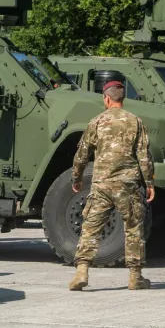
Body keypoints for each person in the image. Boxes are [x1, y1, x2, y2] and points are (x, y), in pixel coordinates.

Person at [68, 80, 155, 291]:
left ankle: (82, 271)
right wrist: (149, 182)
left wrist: (76, 178)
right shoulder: (135, 122)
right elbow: (144, 156)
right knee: (133, 228)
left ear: (106, 98)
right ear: (122, 98)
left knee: (91, 227)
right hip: (128, 185)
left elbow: (82, 154)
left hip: (102, 184)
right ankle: (135, 277)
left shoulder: (97, 121)